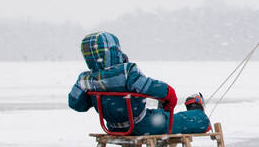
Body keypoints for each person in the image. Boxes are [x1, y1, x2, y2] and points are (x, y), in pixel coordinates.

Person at [68, 31, 210, 135]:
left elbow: (76, 104)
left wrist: (97, 97)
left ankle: (161, 112)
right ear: (114, 51)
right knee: (179, 121)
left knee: (156, 115)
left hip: (113, 127)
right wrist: (169, 94)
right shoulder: (126, 72)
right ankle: (198, 115)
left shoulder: (85, 79)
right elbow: (154, 88)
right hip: (142, 125)